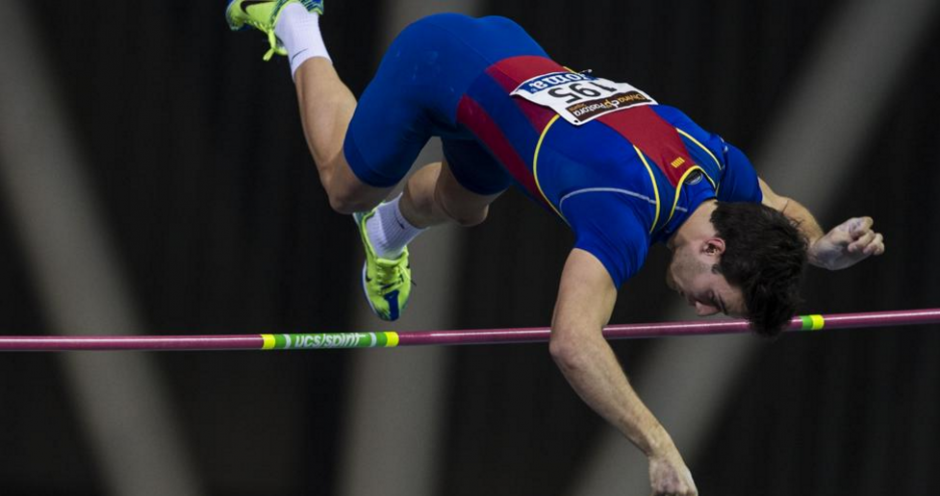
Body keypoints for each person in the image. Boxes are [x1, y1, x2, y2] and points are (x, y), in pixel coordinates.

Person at [226, 2, 885, 494]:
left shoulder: (718, 171)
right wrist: (656, 445)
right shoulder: (626, 213)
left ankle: (384, 237)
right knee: (346, 186)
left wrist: (820, 250)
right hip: (438, 63)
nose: (703, 310)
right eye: (715, 298)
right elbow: (572, 341)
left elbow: (783, 209)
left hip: (507, 71)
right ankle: (292, 18)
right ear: (712, 246)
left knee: (465, 204)